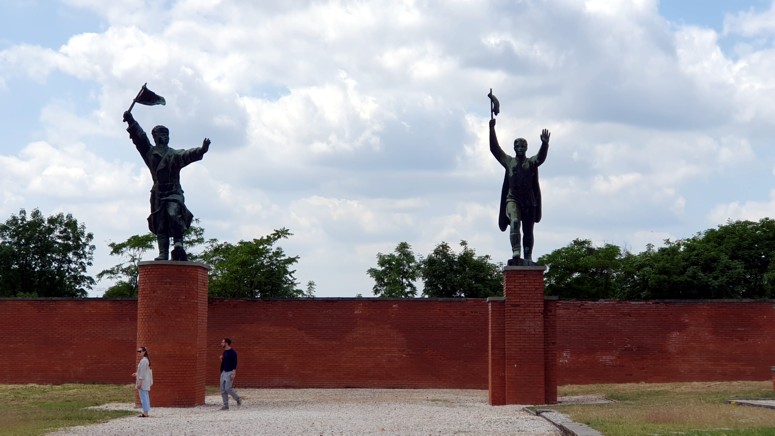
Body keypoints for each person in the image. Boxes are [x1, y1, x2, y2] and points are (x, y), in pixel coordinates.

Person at [122, 110, 210, 261]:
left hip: (174, 193)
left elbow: (187, 154)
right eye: (161, 135)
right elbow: (140, 138)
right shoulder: (149, 153)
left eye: (166, 135)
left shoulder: (174, 155)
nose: (165, 137)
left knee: (173, 213)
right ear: (155, 137)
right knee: (161, 224)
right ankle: (163, 252)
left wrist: (201, 150)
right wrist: (130, 120)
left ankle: (178, 243)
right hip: (158, 194)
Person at [489, 118, 550, 265]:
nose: (520, 148)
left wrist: (544, 144)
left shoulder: (530, 163)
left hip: (529, 201)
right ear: (514, 148)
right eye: (518, 146)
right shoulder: (509, 161)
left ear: (526, 148)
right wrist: (491, 129)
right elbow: (495, 149)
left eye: (523, 146)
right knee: (515, 221)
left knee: (528, 231)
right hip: (513, 199)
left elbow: (540, 158)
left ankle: (528, 257)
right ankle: (516, 250)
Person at [219, 338, 242, 410]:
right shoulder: (225, 352)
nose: (221, 343)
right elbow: (224, 363)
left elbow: (235, 363)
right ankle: (226, 405)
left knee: (228, 388)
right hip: (224, 372)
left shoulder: (233, 353)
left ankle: (238, 399)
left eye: (223, 342)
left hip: (230, 372)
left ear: (226, 343)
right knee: (223, 390)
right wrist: (221, 359)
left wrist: (233, 373)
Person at [132, 346, 153, 417]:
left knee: (144, 397)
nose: (138, 353)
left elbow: (143, 372)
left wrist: (140, 382)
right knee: (145, 397)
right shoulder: (145, 360)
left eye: (140, 351)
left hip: (143, 382)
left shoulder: (144, 361)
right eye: (138, 351)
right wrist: (137, 373)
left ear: (144, 352)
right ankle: (146, 412)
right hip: (144, 381)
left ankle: (145, 413)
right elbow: (143, 371)